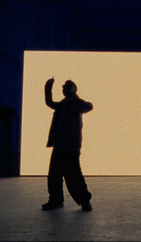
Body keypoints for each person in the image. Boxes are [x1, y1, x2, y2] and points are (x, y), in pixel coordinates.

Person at [41, 77, 93, 211]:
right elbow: (49, 102)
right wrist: (48, 88)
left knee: (73, 174)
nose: (64, 89)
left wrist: (77, 103)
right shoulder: (63, 104)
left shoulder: (76, 102)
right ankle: (56, 200)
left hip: (70, 146)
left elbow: (89, 106)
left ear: (74, 89)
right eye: (63, 87)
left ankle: (84, 200)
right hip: (60, 144)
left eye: (67, 87)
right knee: (54, 174)